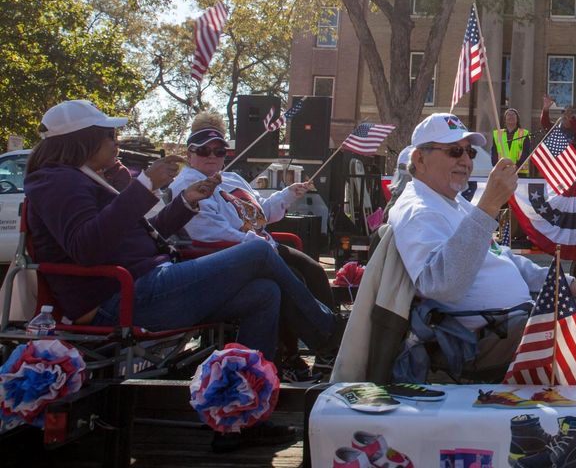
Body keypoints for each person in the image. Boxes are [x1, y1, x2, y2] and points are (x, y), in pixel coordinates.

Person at [23, 100, 341, 364]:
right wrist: (144, 186)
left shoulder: (81, 178)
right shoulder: (57, 181)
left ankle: (243, 392)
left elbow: (147, 236)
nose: (115, 141)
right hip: (117, 298)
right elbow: (85, 247)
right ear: (83, 140)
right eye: (109, 134)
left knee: (263, 293)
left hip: (144, 285)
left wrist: (187, 201)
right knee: (257, 251)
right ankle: (328, 334)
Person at [386, 113, 576, 384]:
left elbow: (505, 259)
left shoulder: (454, 203)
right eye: (454, 151)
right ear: (419, 159)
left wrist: (568, 283)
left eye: (469, 151)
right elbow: (441, 285)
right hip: (481, 340)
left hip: (513, 321)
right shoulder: (417, 210)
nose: (466, 160)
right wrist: (488, 206)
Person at [169, 111, 335, 381]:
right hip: (227, 255)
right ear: (189, 153)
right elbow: (209, 233)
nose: (212, 156)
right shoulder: (188, 186)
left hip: (260, 245)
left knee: (313, 270)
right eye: (203, 150)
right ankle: (299, 353)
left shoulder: (231, 179)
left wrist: (287, 195)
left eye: (219, 151)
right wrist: (256, 244)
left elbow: (259, 213)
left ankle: (326, 351)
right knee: (288, 279)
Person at [490, 108, 532, 175]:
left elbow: (526, 152)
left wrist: (516, 166)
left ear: (517, 119)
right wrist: (497, 166)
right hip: (502, 170)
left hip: (519, 171)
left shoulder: (524, 133)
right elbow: (494, 152)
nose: (511, 116)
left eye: (513, 115)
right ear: (505, 119)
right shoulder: (497, 134)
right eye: (509, 115)